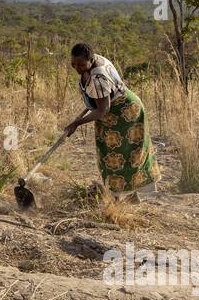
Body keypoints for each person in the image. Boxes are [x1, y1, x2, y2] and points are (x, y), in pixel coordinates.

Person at [62, 43, 158, 194]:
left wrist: (76, 123)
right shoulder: (94, 62)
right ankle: (123, 195)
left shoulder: (97, 79)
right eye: (73, 64)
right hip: (113, 113)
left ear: (91, 59)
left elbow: (102, 110)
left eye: (81, 64)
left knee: (124, 155)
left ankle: (129, 195)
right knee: (110, 154)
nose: (77, 68)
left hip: (125, 113)